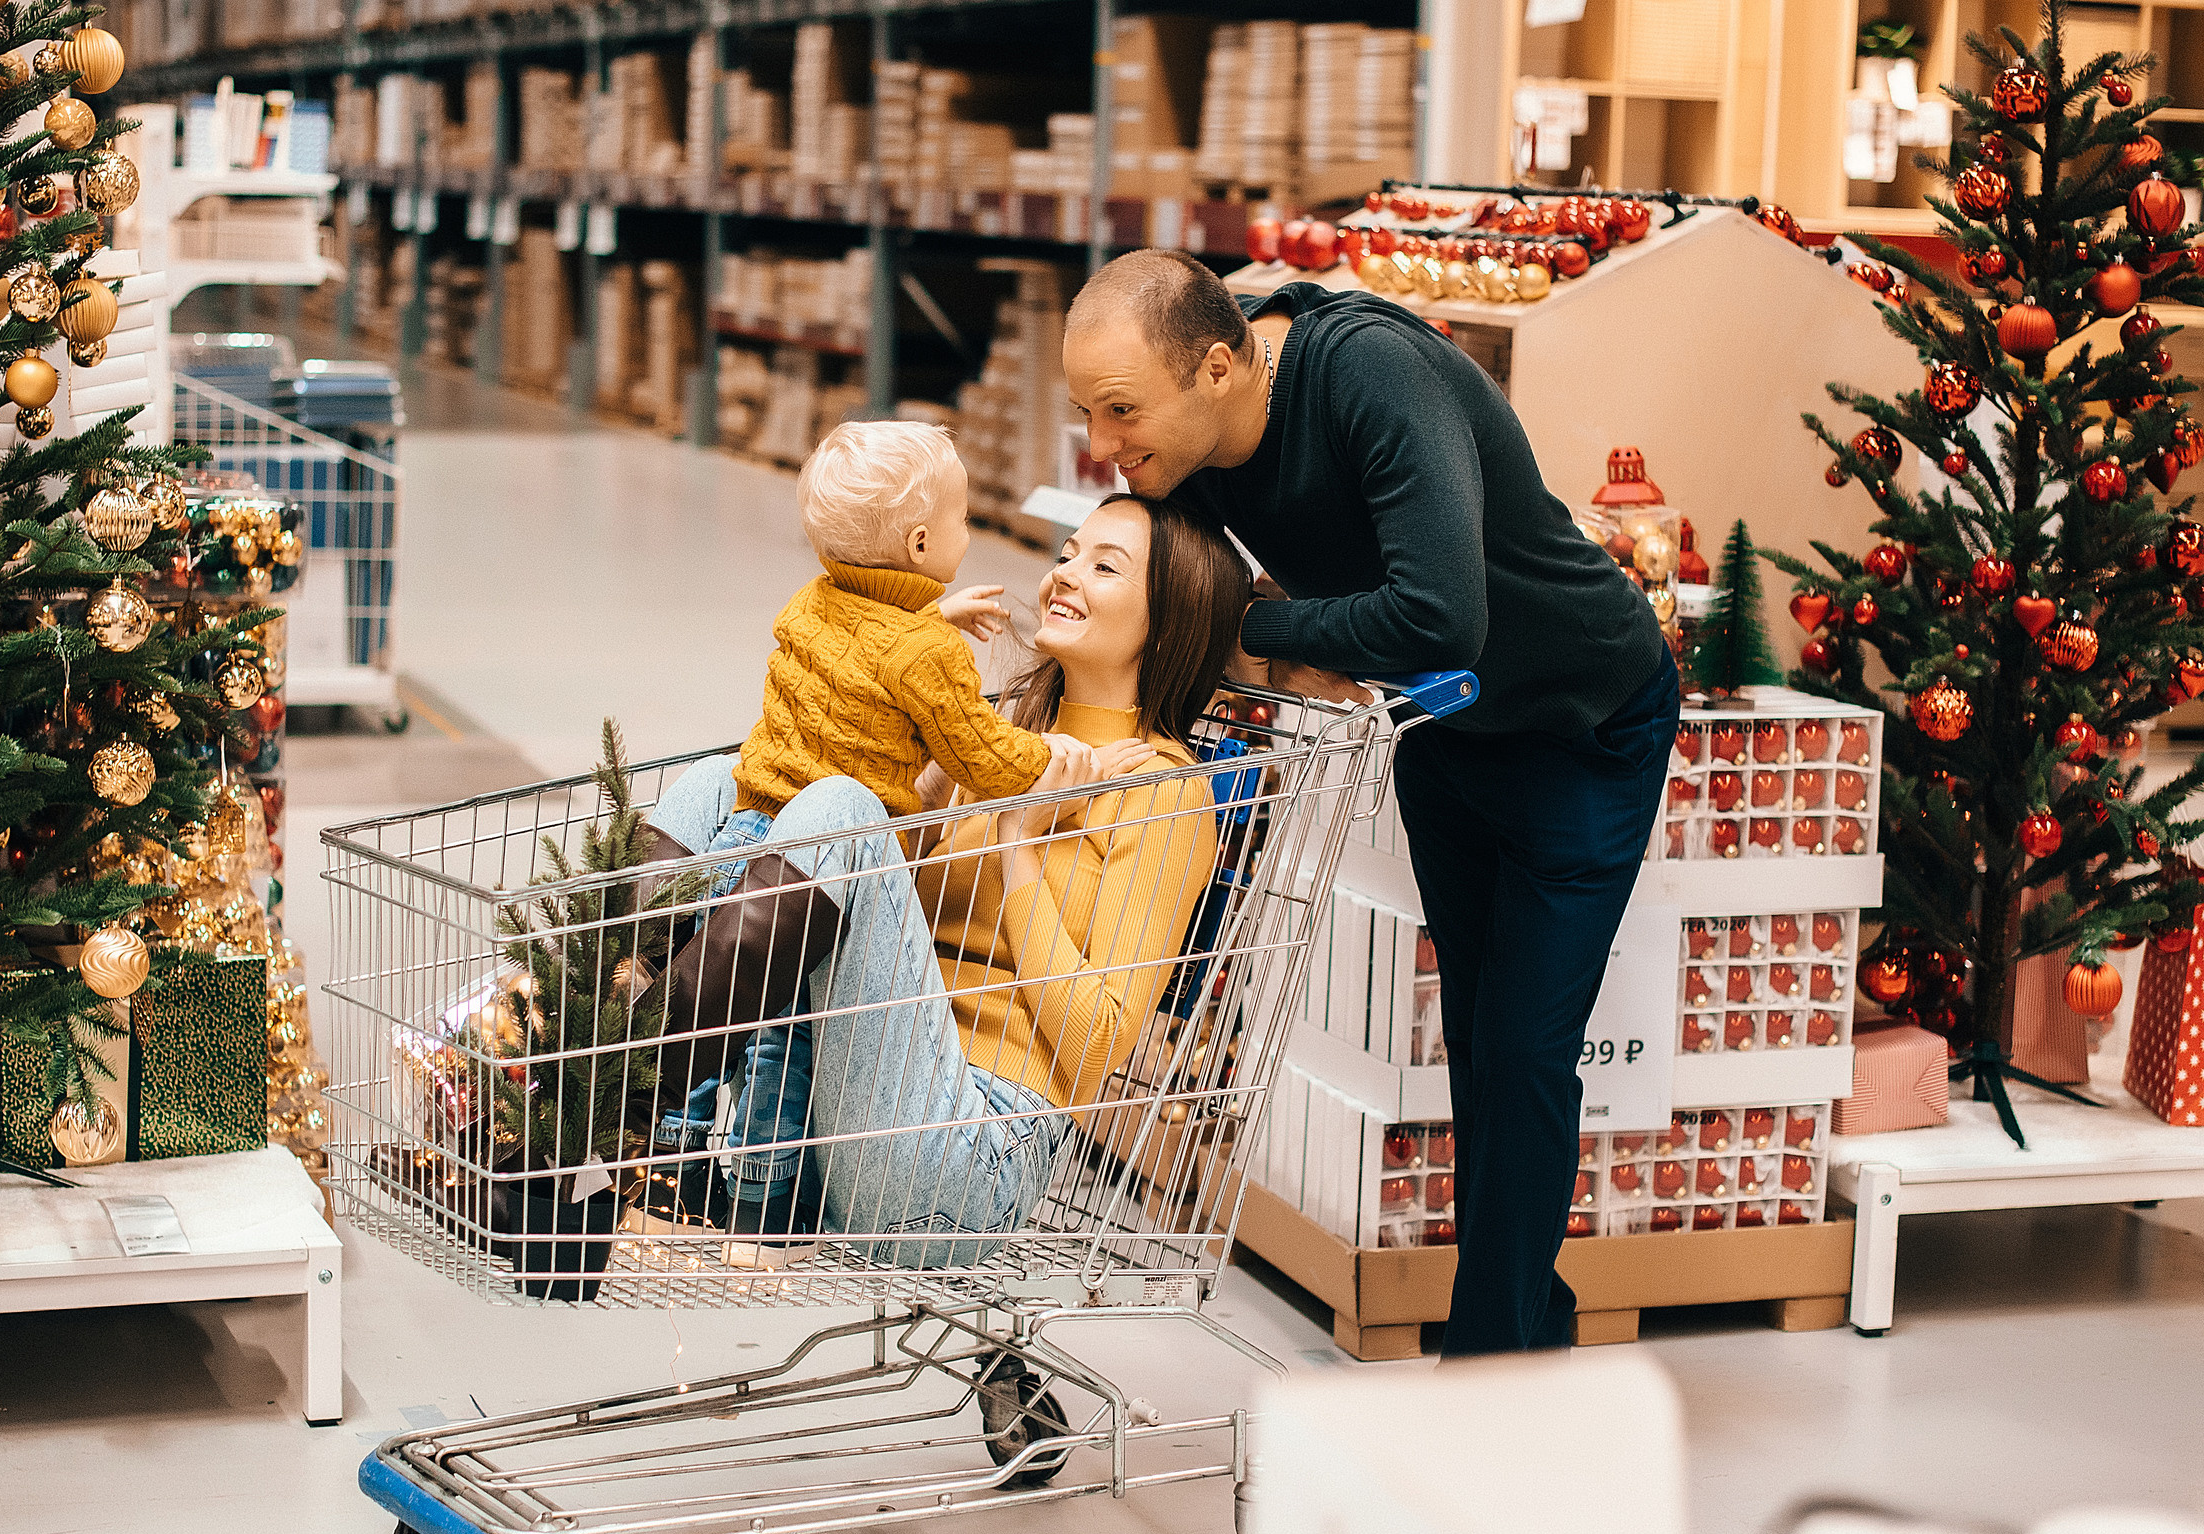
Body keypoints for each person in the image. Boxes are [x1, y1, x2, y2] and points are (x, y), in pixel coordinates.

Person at [1061, 248, 1677, 1356]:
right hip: (1447, 731)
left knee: (1527, 1047)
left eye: (1119, 410)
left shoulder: (1369, 376)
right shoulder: (1189, 448)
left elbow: (1441, 619)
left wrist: (1261, 623)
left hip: (1583, 722)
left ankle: (1487, 1365)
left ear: (1216, 366)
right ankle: (1530, 1323)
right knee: (1482, 1042)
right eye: (1087, 412)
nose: (1101, 445)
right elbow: (1178, 596)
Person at [642, 494, 1246, 1265]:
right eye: (1067, 552)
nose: (1064, 575)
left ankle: (631, 1070)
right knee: (716, 784)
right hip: (848, 1095)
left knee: (839, 805)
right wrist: (918, 729)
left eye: (1104, 566)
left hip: (966, 1151)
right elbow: (870, 913)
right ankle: (612, 1044)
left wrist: (1015, 840)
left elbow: (1095, 1048)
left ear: (1167, 623)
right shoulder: (998, 745)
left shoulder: (1163, 790)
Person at [638, 419, 1091, 1157]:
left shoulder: (810, 603)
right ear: (919, 546)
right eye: (963, 518)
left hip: (745, 834)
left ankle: (670, 1148)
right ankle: (763, 1202)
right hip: (815, 868)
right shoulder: (929, 652)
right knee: (785, 1038)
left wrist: (929, 617)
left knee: (709, 1004)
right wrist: (1055, 757)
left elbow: (862, 655)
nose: (969, 531)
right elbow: (982, 755)